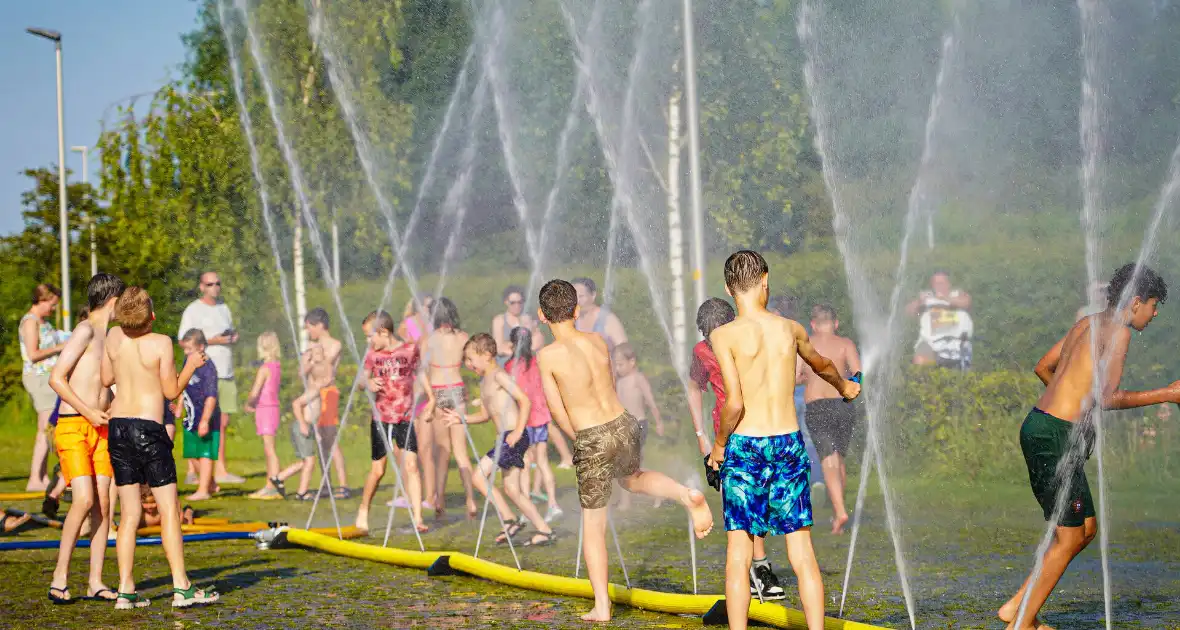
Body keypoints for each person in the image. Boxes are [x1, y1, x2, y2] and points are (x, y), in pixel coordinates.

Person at [999, 263, 1174, 630]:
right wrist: (1167, 394)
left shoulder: (1087, 323)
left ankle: (1017, 607)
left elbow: (1043, 367)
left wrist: (1072, 407)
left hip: (1040, 425)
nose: (1155, 313)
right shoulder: (1120, 333)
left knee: (1086, 528)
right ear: (1137, 301)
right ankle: (1023, 625)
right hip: (1054, 436)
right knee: (1070, 536)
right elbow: (1108, 398)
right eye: (1154, 305)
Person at [537, 279, 713, 623]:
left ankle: (602, 606)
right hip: (623, 422)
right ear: (576, 310)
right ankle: (684, 493)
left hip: (592, 434)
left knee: (593, 527)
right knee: (632, 478)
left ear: (542, 316)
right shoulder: (598, 340)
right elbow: (610, 383)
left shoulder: (547, 356)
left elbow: (556, 408)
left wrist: (579, 439)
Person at [706, 250, 860, 630]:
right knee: (801, 549)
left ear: (728, 288)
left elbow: (734, 402)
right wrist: (845, 386)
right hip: (787, 443)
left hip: (745, 445)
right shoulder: (789, 328)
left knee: (739, 551)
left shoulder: (723, 335)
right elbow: (821, 364)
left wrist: (719, 446)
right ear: (765, 280)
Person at [103, 286, 219, 609]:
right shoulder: (161, 343)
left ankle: (125, 590)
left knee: (128, 514)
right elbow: (171, 391)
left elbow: (104, 377)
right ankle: (181, 587)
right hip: (149, 430)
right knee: (169, 509)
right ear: (151, 316)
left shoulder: (112, 337)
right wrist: (192, 365)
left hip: (119, 428)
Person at [687, 298, 786, 601]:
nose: (713, 341)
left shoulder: (749, 340)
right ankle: (759, 571)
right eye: (708, 335)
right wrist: (703, 435)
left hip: (763, 431)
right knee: (744, 504)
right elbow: (694, 386)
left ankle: (756, 570)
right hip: (728, 437)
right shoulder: (702, 352)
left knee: (764, 503)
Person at [45, 273, 125, 604]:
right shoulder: (86, 330)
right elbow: (57, 378)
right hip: (74, 425)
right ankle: (59, 577)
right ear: (112, 300)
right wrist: (88, 412)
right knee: (83, 500)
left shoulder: (113, 336)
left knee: (104, 505)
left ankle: (95, 580)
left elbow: (111, 384)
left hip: (102, 428)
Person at [444, 333, 556, 546]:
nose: (468, 364)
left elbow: (525, 401)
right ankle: (545, 530)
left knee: (478, 476)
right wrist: (462, 418)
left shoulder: (498, 375)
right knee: (512, 490)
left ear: (486, 355)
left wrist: (518, 431)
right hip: (505, 437)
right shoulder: (485, 381)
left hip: (513, 436)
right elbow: (486, 415)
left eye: (470, 359)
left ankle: (509, 519)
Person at [357, 310, 433, 533]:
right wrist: (368, 383)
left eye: (370, 336)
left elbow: (419, 373)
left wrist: (430, 398)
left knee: (411, 466)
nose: (368, 341)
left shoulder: (409, 349)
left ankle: (418, 518)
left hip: (406, 417)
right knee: (378, 471)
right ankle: (363, 509)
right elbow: (362, 379)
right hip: (382, 418)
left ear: (383, 332)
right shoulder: (372, 355)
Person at [797, 304, 861, 534]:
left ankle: (841, 511)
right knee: (839, 460)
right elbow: (858, 374)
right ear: (835, 323)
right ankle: (837, 514)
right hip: (843, 405)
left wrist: (809, 378)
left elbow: (795, 377)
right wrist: (855, 387)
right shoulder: (846, 344)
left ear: (812, 325)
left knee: (828, 460)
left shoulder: (805, 345)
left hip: (817, 407)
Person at [178, 271, 243, 484]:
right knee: (196, 419)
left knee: (222, 421)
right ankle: (193, 471)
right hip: (203, 372)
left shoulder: (224, 308)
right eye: (210, 284)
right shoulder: (193, 310)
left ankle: (220, 470)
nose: (215, 287)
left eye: (218, 283)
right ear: (201, 286)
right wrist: (214, 341)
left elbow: (227, 335)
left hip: (226, 370)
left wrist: (231, 338)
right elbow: (183, 341)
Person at [424, 297, 476, 518]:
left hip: (437, 391)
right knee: (461, 452)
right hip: (456, 390)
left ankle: (439, 498)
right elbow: (471, 365)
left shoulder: (429, 339)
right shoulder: (463, 338)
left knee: (442, 451)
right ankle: (471, 500)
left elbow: (421, 371)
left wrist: (430, 398)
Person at [504, 327, 563, 523]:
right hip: (541, 417)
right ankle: (553, 504)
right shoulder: (538, 361)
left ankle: (526, 507)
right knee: (543, 461)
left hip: (525, 419)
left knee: (525, 463)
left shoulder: (510, 366)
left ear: (512, 344)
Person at [294, 308, 347, 498]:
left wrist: (314, 355)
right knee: (319, 441)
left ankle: (343, 485)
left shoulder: (335, 345)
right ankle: (326, 483)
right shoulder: (311, 346)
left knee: (330, 439)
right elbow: (302, 372)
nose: (309, 332)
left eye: (310, 328)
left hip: (327, 393)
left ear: (320, 325)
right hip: (313, 394)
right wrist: (306, 359)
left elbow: (326, 369)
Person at [20, 283, 66, 491]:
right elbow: (33, 354)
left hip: (48, 378)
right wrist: (60, 347)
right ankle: (34, 479)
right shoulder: (30, 322)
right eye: (52, 304)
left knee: (46, 428)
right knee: (44, 428)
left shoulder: (43, 322)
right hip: (38, 378)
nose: (54, 308)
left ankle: (42, 476)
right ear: (42, 300)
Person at [612, 342, 665, 511]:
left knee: (628, 466)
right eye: (616, 365)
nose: (617, 368)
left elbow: (650, 400)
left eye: (620, 364)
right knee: (628, 467)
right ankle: (633, 499)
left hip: (638, 426)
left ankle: (657, 491)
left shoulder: (638, 378)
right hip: (625, 427)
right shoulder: (620, 383)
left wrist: (659, 422)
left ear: (632, 362)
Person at [178, 330, 220, 502]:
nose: (186, 353)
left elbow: (211, 396)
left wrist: (205, 420)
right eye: (185, 349)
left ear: (201, 347)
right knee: (192, 453)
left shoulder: (208, 368)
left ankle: (203, 490)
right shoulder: (188, 362)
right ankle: (210, 483)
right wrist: (179, 405)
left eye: (190, 349)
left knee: (204, 453)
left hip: (206, 417)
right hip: (191, 416)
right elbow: (183, 383)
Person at [906, 270, 973, 368]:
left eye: (941, 283)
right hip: (930, 343)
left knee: (956, 373)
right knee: (921, 359)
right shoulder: (927, 299)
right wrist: (919, 302)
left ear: (948, 284)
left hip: (956, 344)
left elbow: (966, 303)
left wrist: (944, 298)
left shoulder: (957, 295)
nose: (938, 286)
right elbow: (909, 311)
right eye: (936, 283)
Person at [245, 332, 284, 499]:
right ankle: (271, 483)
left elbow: (255, 391)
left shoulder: (265, 368)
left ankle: (272, 485)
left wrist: (249, 403)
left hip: (265, 409)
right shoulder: (277, 366)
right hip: (272, 408)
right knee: (269, 448)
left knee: (270, 449)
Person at [287, 344, 323, 501]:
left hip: (308, 426)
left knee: (306, 461)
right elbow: (296, 404)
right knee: (309, 461)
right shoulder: (313, 389)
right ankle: (302, 493)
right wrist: (302, 424)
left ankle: (279, 478)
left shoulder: (316, 389)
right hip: (303, 425)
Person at [571, 277, 628, 354]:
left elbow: (625, 351)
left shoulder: (607, 319)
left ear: (593, 295)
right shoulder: (572, 321)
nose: (577, 301)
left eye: (581, 296)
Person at [492, 285, 543, 365]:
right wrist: (524, 348)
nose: (517, 306)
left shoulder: (529, 319)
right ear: (506, 302)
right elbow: (499, 348)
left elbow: (538, 342)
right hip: (505, 363)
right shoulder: (499, 320)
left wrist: (510, 345)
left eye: (520, 302)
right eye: (513, 303)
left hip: (526, 363)